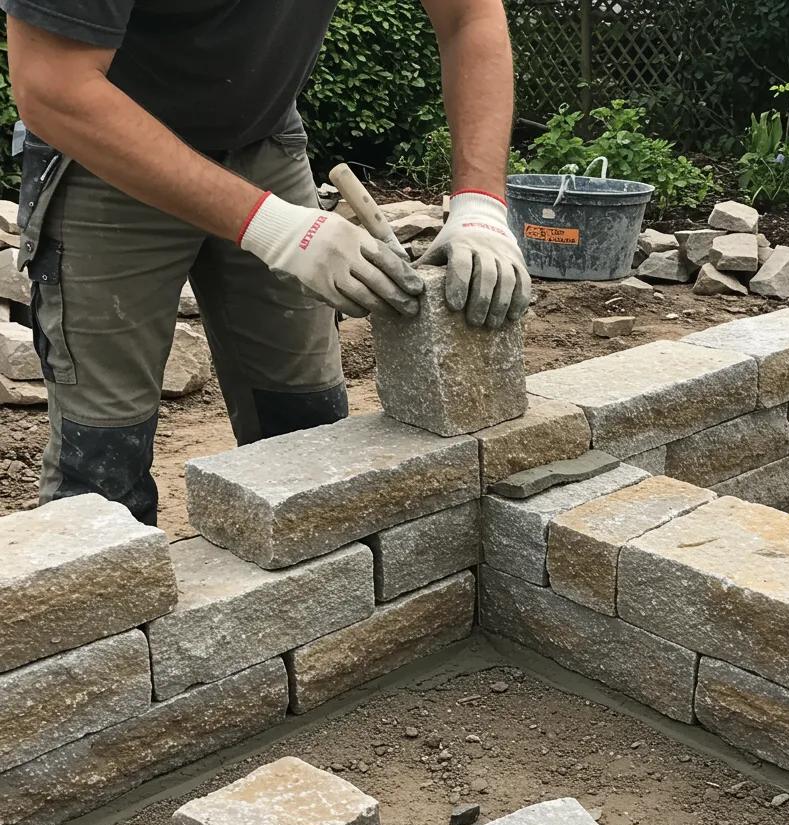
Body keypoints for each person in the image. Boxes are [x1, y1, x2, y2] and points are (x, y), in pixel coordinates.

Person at [2, 0, 530, 525]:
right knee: (103, 462)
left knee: (307, 429)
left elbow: (469, 16)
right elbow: (52, 84)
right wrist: (272, 227)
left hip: (262, 137)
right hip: (102, 156)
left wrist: (480, 204)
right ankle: (113, 603)